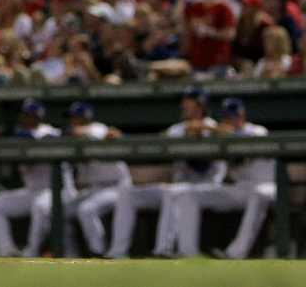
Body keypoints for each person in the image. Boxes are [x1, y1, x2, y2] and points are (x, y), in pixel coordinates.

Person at [105, 87, 226, 258]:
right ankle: (116, 253)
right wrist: (123, 137)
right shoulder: (177, 129)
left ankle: (163, 250)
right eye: (184, 101)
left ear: (200, 106)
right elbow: (152, 144)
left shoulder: (212, 127)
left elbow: (202, 166)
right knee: (128, 194)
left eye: (188, 102)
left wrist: (200, 135)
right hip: (178, 186)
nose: (183, 105)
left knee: (173, 192)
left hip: (207, 186)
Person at [169, 98, 275, 258]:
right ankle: (187, 252)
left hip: (267, 186)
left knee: (257, 195)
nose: (231, 120)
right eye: (227, 117)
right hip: (240, 188)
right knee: (189, 194)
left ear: (242, 115)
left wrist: (213, 128)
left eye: (234, 116)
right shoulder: (221, 137)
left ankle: (235, 253)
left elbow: (242, 138)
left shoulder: (257, 130)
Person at [0, 99, 76, 257]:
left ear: (39, 117)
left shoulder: (50, 132)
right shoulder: (18, 135)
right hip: (33, 190)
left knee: (40, 206)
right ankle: (6, 250)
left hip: (59, 191)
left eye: (32, 115)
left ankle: (31, 252)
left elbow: (60, 137)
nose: (27, 118)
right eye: (26, 115)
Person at [65, 102, 131, 256]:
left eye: (75, 117)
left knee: (86, 209)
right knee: (61, 212)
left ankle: (98, 252)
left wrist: (80, 133)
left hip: (116, 186)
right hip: (96, 189)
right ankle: (69, 254)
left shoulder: (98, 128)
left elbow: (104, 134)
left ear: (85, 118)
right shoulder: (74, 136)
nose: (72, 120)